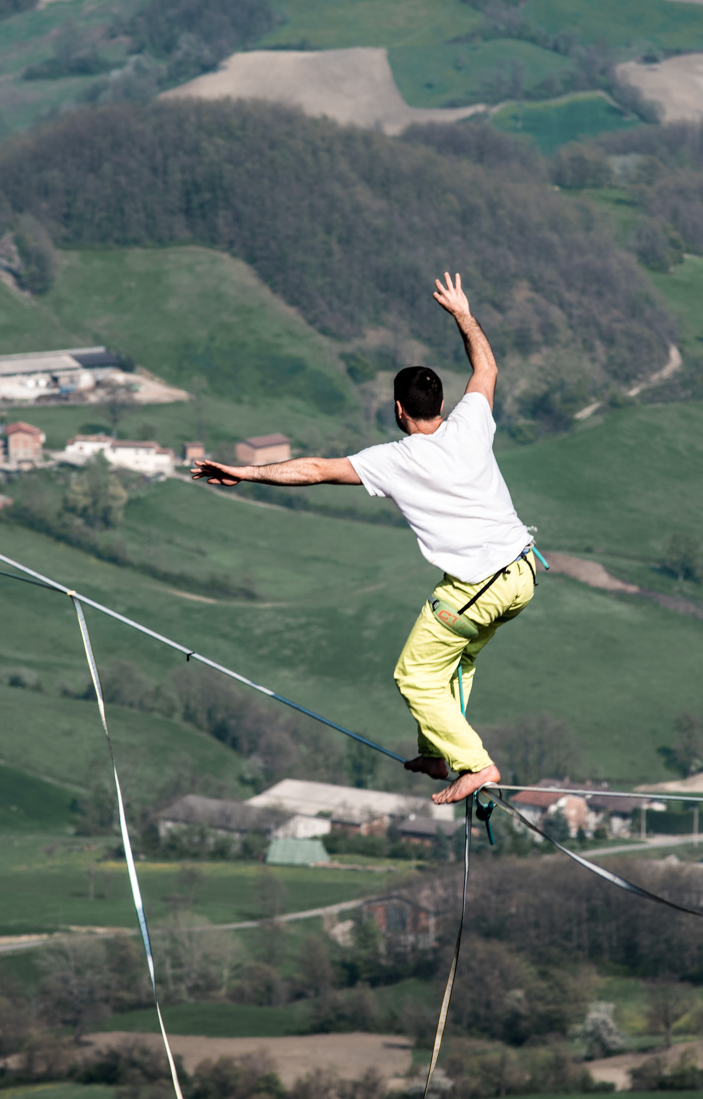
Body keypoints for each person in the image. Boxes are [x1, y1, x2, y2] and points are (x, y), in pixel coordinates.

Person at [191, 273, 538, 806]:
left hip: (480, 581)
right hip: (525, 570)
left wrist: (244, 472)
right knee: (454, 662)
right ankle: (438, 751)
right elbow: (486, 367)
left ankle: (475, 765)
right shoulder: (472, 420)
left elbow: (311, 469)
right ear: (441, 403)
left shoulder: (395, 459)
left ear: (401, 410)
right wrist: (462, 313)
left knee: (414, 675)